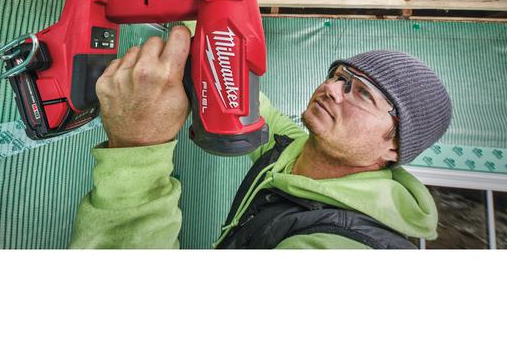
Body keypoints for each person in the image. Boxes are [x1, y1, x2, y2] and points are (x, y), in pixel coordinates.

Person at [69, 24, 452, 249]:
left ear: (394, 145)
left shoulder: (345, 247)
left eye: (363, 94)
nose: (332, 89)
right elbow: (250, 104)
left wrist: (138, 145)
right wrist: (213, 30)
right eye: (339, 76)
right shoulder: (294, 147)